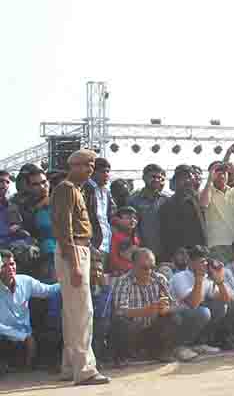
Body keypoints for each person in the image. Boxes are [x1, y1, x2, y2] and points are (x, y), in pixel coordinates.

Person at [51, 149, 110, 385]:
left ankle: (70, 366)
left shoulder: (75, 189)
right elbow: (64, 230)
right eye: (87, 165)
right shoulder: (66, 188)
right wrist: (74, 264)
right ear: (73, 165)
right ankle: (85, 370)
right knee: (82, 313)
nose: (90, 170)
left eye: (92, 165)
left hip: (79, 249)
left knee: (73, 313)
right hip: (73, 250)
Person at [0, 249, 61, 373]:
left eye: (12, 264)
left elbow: (48, 291)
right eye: (4, 265)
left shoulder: (25, 281)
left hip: (26, 337)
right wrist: (22, 336)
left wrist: (68, 282)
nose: (10, 268)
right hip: (7, 337)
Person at [169, 246, 231, 356]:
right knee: (203, 312)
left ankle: (199, 344)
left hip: (193, 313)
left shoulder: (206, 278)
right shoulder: (180, 277)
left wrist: (220, 281)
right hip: (175, 317)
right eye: (202, 262)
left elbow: (226, 299)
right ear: (190, 262)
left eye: (207, 261)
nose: (205, 265)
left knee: (220, 307)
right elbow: (193, 303)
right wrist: (199, 278)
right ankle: (180, 346)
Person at [157, 165, 206, 263]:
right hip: (177, 257)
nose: (187, 181)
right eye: (183, 178)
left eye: (190, 177)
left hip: (198, 254)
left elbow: (202, 229)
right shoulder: (167, 205)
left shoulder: (198, 201)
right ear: (175, 182)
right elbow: (166, 236)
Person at [127, 164, 171, 253]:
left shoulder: (167, 200)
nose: (156, 180)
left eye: (159, 177)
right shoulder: (134, 200)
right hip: (142, 250)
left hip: (165, 251)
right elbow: (130, 228)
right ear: (144, 178)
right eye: (153, 177)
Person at [83, 157, 116, 260]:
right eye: (103, 171)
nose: (106, 174)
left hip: (106, 244)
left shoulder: (107, 192)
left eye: (108, 171)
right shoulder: (85, 189)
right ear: (93, 172)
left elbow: (109, 217)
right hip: (91, 244)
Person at [108, 207, 141, 274]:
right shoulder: (115, 236)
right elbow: (114, 259)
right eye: (128, 218)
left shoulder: (136, 238)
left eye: (135, 218)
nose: (132, 220)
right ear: (118, 220)